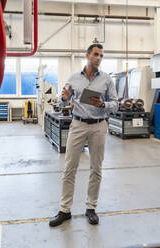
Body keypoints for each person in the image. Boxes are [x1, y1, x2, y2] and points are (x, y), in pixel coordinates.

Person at [49, 44, 118, 227]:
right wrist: (64, 97)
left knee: (96, 168)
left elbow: (116, 104)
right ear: (87, 55)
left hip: (98, 126)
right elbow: (62, 99)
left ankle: (91, 208)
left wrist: (103, 104)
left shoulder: (107, 80)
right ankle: (65, 210)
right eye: (96, 54)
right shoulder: (73, 78)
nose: (98, 58)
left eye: (101, 55)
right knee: (69, 167)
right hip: (78, 124)